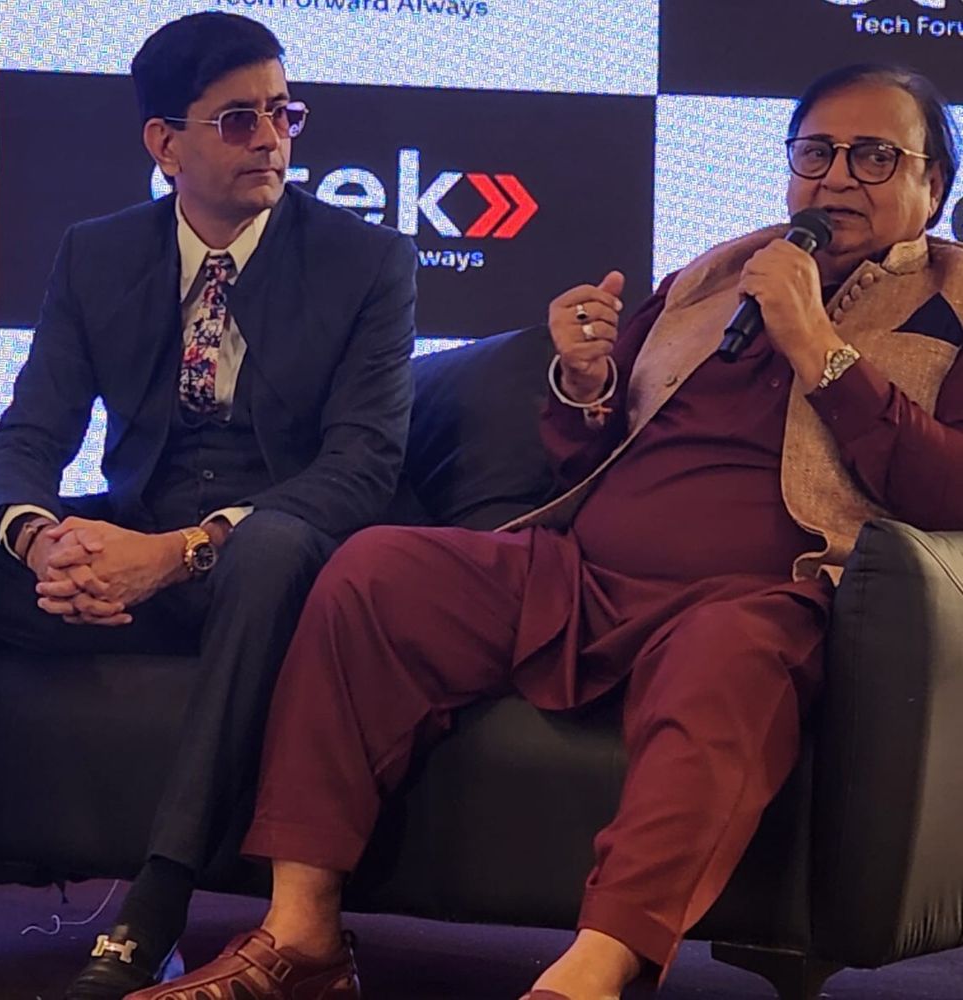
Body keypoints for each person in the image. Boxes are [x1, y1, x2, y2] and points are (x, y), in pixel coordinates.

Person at [126, 63, 963, 1000]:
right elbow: (586, 457)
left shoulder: (956, 303)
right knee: (375, 572)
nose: (837, 176)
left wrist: (818, 346)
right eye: (816, 152)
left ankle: (587, 977)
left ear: (933, 185)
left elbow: (949, 489)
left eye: (874, 156)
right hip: (583, 573)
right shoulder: (715, 278)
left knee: (732, 657)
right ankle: (302, 936)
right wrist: (584, 383)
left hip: (758, 598)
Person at [0, 11, 416, 1000]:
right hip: (133, 545)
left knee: (269, 551)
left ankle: (156, 903)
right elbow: (29, 436)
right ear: (165, 144)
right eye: (238, 120)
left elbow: (361, 467)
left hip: (270, 554)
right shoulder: (96, 254)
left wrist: (175, 552)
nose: (272, 140)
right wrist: (42, 543)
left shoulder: (366, 262)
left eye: (284, 114)